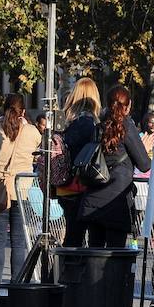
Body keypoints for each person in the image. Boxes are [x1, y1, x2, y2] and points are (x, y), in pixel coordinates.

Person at [70, 85, 152, 248]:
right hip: (117, 200)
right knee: (114, 257)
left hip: (94, 198)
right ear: (128, 106)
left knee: (95, 254)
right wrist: (145, 148)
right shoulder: (127, 127)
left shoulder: (98, 126)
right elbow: (144, 165)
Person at [0, 94, 42, 284]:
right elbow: (38, 157)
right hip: (22, 191)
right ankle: (17, 282)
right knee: (18, 241)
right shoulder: (32, 132)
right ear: (23, 111)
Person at [58, 77, 101, 247]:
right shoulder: (88, 124)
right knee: (77, 237)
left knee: (73, 234)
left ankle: (65, 271)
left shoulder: (69, 121)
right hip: (81, 186)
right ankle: (69, 272)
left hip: (66, 185)